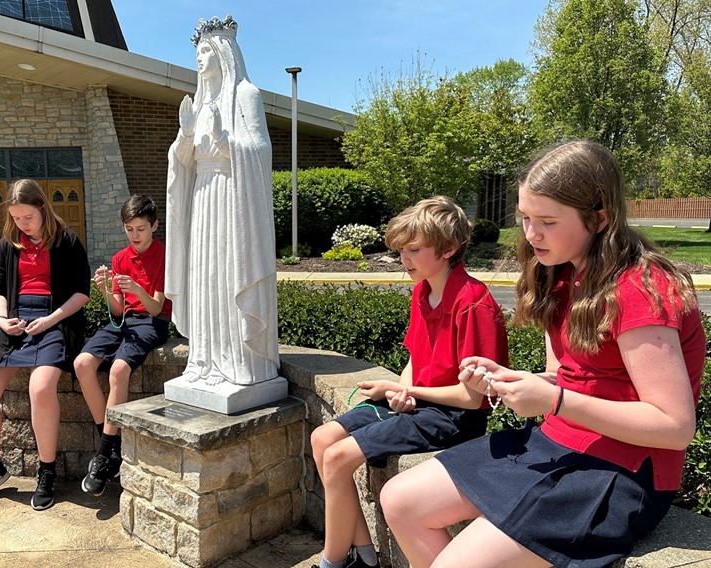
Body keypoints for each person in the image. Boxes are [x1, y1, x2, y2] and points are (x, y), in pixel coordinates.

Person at [380, 140, 707, 568]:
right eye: (526, 218)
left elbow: (675, 426)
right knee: (400, 499)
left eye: (548, 222)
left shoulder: (640, 289)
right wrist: (510, 380)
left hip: (620, 471)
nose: (531, 234)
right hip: (556, 441)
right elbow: (563, 377)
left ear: (600, 218)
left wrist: (553, 400)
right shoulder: (560, 274)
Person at [310, 196, 510, 568]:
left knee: (338, 457)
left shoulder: (474, 303)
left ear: (449, 248)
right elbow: (415, 358)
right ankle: (364, 557)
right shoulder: (423, 291)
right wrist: (402, 389)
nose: (405, 260)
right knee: (322, 439)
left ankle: (332, 562)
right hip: (422, 407)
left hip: (452, 418)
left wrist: (407, 391)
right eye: (402, 250)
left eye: (414, 250)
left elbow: (472, 397)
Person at [165, 15, 280, 387]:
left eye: (205, 51)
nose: (199, 59)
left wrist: (226, 139)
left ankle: (240, 362)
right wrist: (185, 135)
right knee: (204, 276)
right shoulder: (197, 104)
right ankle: (205, 360)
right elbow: (183, 162)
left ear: (224, 53)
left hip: (233, 200)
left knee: (228, 273)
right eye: (196, 52)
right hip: (202, 198)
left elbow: (261, 151)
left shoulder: (247, 95)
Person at [0, 178, 90, 511]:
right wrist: (2, 318)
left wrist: (51, 320)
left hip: (57, 320)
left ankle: (46, 471)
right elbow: (0, 290)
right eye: (17, 217)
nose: (22, 223)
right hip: (16, 319)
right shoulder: (9, 243)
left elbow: (81, 293)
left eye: (28, 217)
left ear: (43, 208)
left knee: (41, 388)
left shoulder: (68, 241)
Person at [74, 195, 172, 496]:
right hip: (125, 321)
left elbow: (157, 308)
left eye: (141, 228)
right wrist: (105, 289)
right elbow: (117, 310)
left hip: (151, 323)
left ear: (154, 225)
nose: (135, 235)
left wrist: (137, 289)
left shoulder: (164, 255)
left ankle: (103, 455)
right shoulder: (119, 258)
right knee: (82, 364)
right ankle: (111, 440)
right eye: (129, 229)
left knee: (118, 371)